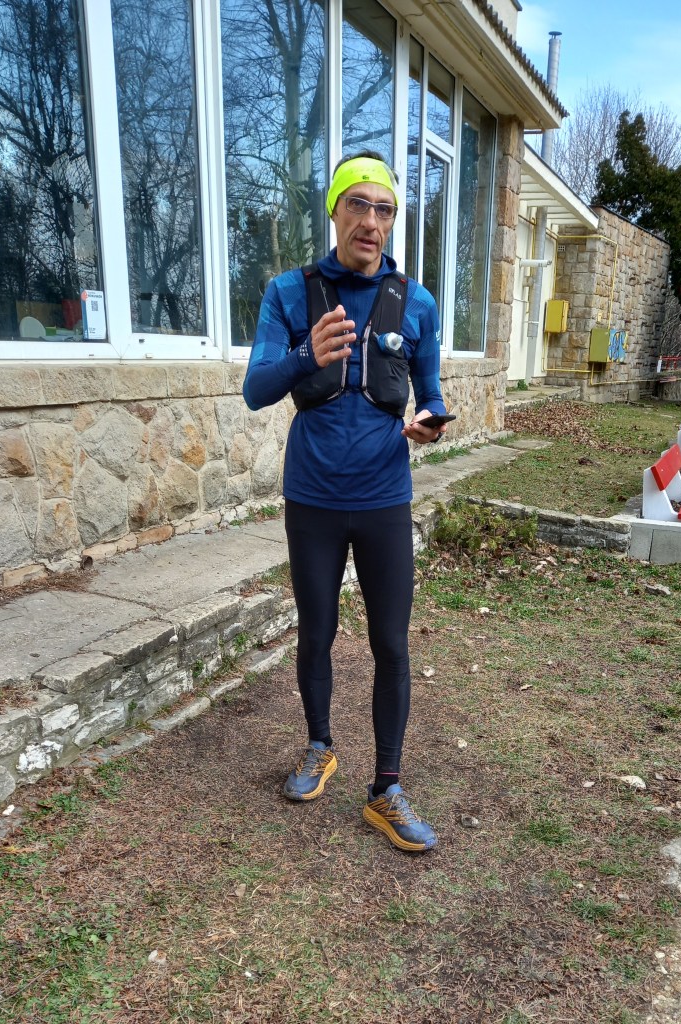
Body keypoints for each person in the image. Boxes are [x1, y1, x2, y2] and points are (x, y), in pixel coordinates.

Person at [243, 151, 449, 852]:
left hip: (385, 495)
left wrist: (431, 420)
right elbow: (256, 389)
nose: (371, 220)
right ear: (334, 211)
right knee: (317, 630)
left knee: (391, 641)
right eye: (357, 204)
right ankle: (319, 746)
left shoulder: (416, 302)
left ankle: (386, 788)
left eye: (384, 208)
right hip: (314, 498)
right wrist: (307, 355)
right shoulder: (288, 293)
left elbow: (432, 392)